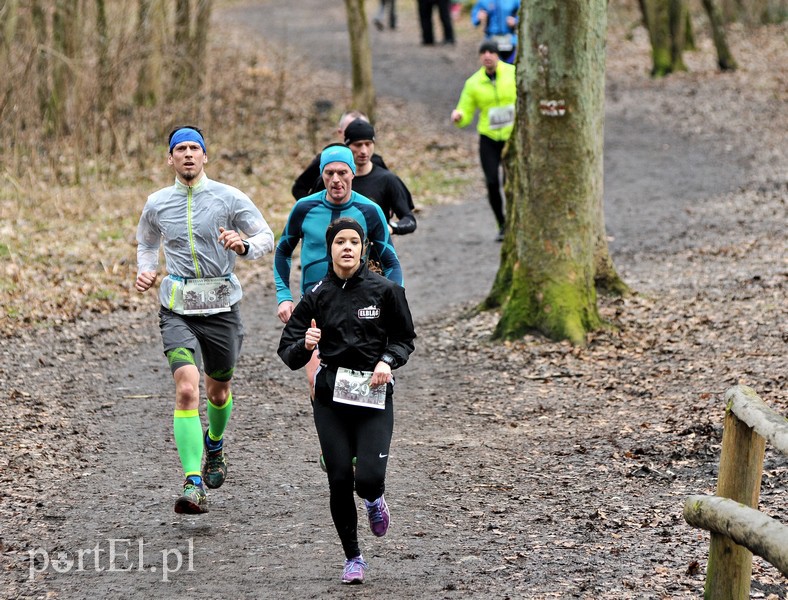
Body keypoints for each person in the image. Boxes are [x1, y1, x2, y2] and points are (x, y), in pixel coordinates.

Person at [135, 126, 274, 514]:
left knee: (218, 393)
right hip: (178, 308)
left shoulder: (229, 197)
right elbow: (146, 241)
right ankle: (193, 482)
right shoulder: (158, 203)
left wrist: (243, 245)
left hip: (221, 308)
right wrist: (146, 270)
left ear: (205, 156)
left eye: (195, 148)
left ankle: (215, 442)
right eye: (180, 149)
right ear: (170, 159)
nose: (188, 154)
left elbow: (266, 235)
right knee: (186, 390)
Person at [278, 217, 416, 585]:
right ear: (330, 249)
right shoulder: (317, 296)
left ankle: (374, 499)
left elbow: (405, 339)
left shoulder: (386, 291)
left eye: (354, 241)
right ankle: (353, 558)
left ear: (364, 247)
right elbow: (287, 353)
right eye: (340, 241)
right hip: (331, 400)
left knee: (368, 480)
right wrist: (306, 345)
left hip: (373, 395)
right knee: (339, 479)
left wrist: (388, 361)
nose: (347, 248)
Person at [274, 145, 404, 399]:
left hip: (360, 303)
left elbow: (391, 260)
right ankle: (330, 434)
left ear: (353, 173)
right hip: (315, 305)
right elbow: (282, 252)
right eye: (329, 173)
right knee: (316, 382)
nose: (336, 180)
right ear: (321, 175)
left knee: (360, 379)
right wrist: (284, 296)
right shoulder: (304, 208)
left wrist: (393, 301)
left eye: (342, 172)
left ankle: (361, 432)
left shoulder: (370, 210)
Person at [451, 40, 516, 241]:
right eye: (483, 52)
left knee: (511, 182)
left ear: (498, 55)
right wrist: (459, 117)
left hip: (512, 137)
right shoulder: (473, 83)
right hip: (489, 138)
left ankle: (515, 222)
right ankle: (502, 223)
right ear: (480, 57)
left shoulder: (513, 73)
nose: (487, 55)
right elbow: (466, 110)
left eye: (491, 52)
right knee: (491, 182)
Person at [312, 119, 417, 239]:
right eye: (358, 144)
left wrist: (390, 227)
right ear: (347, 145)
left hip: (374, 254)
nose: (363, 151)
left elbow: (410, 220)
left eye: (368, 144)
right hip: (334, 253)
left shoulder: (388, 179)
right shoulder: (329, 180)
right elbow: (310, 213)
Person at [291, 111, 390, 201]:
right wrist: (312, 209)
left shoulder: (376, 162)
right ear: (341, 133)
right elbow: (299, 188)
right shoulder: (325, 160)